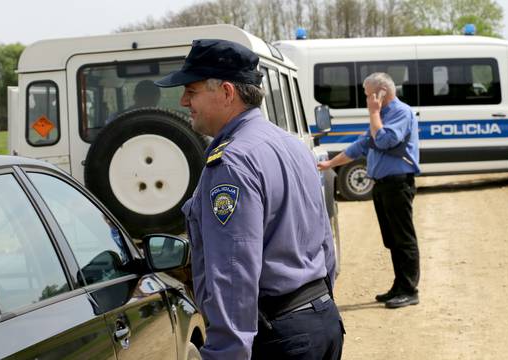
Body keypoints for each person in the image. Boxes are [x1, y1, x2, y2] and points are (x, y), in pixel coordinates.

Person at [155, 39, 344, 360]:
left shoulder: (232, 162)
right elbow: (325, 242)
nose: (184, 101)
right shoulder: (291, 144)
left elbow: (233, 272)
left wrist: (226, 352)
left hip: (278, 335)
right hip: (320, 320)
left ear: (227, 92)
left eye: (192, 90)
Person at [318, 72, 421, 309]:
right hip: (383, 185)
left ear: (381, 93)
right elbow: (361, 146)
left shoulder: (399, 113)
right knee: (392, 239)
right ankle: (399, 285)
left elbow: (385, 141)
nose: (366, 101)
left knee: (403, 239)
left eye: (368, 96)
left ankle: (409, 290)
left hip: (398, 183)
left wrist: (374, 113)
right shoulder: (382, 116)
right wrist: (330, 164)